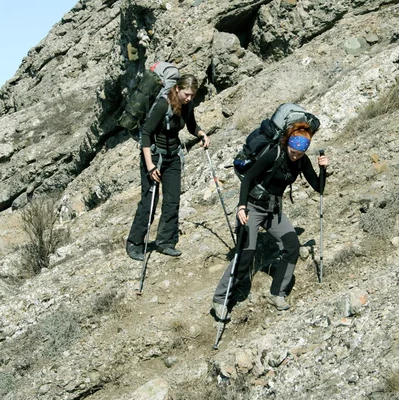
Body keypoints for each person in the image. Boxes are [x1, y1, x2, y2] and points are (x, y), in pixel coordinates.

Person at [211, 121, 328, 318]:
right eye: (293, 151)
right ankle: (221, 299)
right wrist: (241, 206)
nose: (295, 155)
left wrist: (323, 169)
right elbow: (248, 179)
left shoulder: (302, 161)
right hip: (252, 207)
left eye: (299, 153)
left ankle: (277, 293)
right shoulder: (274, 154)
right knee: (247, 252)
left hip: (273, 209)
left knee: (292, 246)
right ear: (288, 143)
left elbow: (319, 187)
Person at [126, 74, 210, 260]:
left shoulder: (188, 106)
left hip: (173, 158)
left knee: (172, 200)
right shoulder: (163, 105)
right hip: (154, 156)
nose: (189, 98)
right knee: (149, 201)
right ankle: (134, 243)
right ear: (178, 89)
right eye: (186, 94)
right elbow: (146, 134)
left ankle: (166, 242)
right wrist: (149, 165)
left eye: (192, 95)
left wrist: (202, 134)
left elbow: (191, 126)